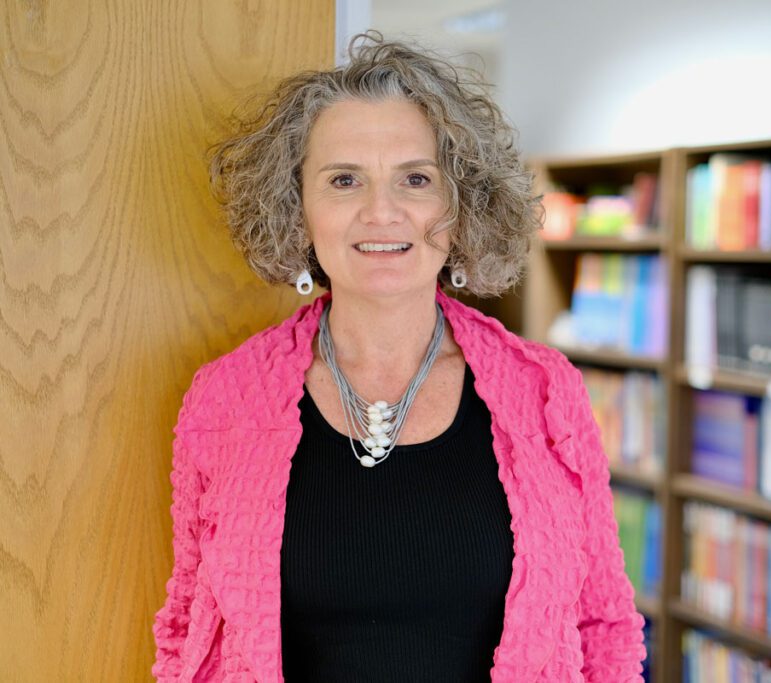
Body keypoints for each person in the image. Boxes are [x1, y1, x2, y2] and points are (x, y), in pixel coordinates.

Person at [152, 33, 645, 682]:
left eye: (415, 179)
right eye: (344, 179)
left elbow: (602, 625)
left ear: (457, 202)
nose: (381, 212)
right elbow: (190, 632)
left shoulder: (546, 393)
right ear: (298, 206)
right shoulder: (225, 399)